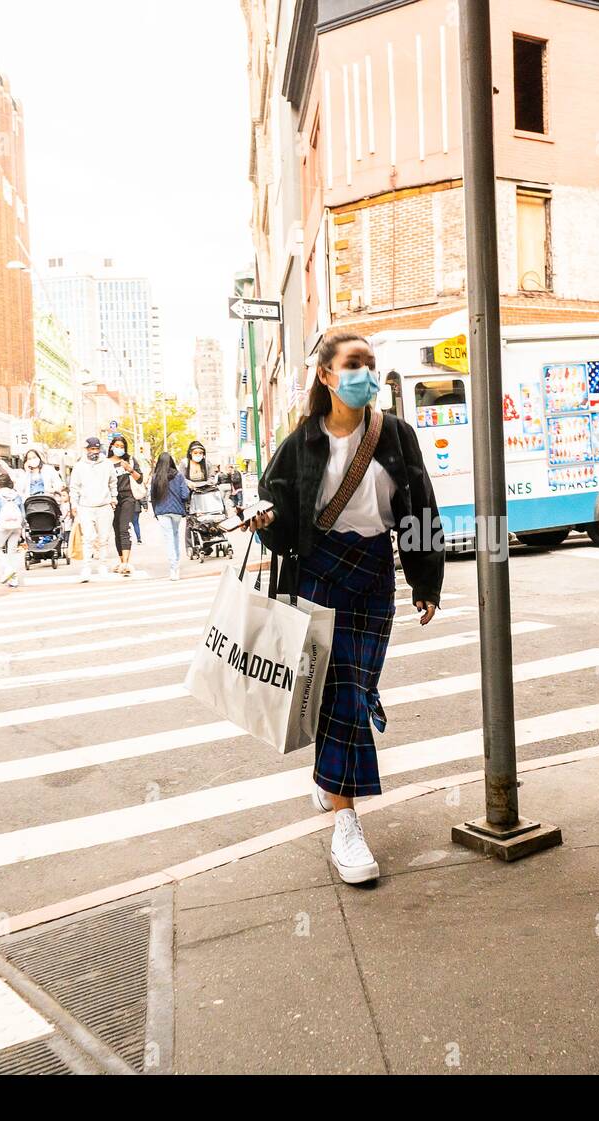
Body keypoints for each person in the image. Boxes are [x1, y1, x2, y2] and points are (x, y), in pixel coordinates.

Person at [246, 331, 443, 887]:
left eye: (371, 364)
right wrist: (263, 520)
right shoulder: (300, 443)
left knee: (355, 690)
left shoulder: (397, 436)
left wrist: (425, 582)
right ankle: (346, 823)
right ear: (327, 376)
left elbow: (421, 508)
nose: (365, 374)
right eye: (353, 364)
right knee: (345, 698)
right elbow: (280, 520)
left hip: (374, 576)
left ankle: (328, 775)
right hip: (318, 577)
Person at [68, 435, 118, 582]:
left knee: (103, 539)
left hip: (104, 506)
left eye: (96, 449)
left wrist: (114, 498)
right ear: (86, 449)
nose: (94, 451)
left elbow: (113, 482)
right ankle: (86, 568)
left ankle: (102, 566)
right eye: (91, 449)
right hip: (85, 507)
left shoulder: (107, 464)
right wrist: (74, 504)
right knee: (88, 539)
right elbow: (74, 487)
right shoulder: (79, 466)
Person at [106, 433, 144, 575]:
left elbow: (140, 479)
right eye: (117, 446)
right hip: (112, 500)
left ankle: (126, 563)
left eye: (122, 446)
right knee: (116, 530)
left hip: (128, 497)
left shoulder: (130, 460)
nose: (119, 448)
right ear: (111, 447)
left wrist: (130, 469)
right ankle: (122, 562)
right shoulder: (105, 463)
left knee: (124, 529)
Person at [150, 450, 190, 581]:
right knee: (175, 535)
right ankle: (176, 562)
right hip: (177, 511)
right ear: (171, 461)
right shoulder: (178, 476)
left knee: (169, 538)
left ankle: (174, 568)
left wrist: (155, 511)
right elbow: (185, 494)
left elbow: (152, 496)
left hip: (162, 511)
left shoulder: (155, 477)